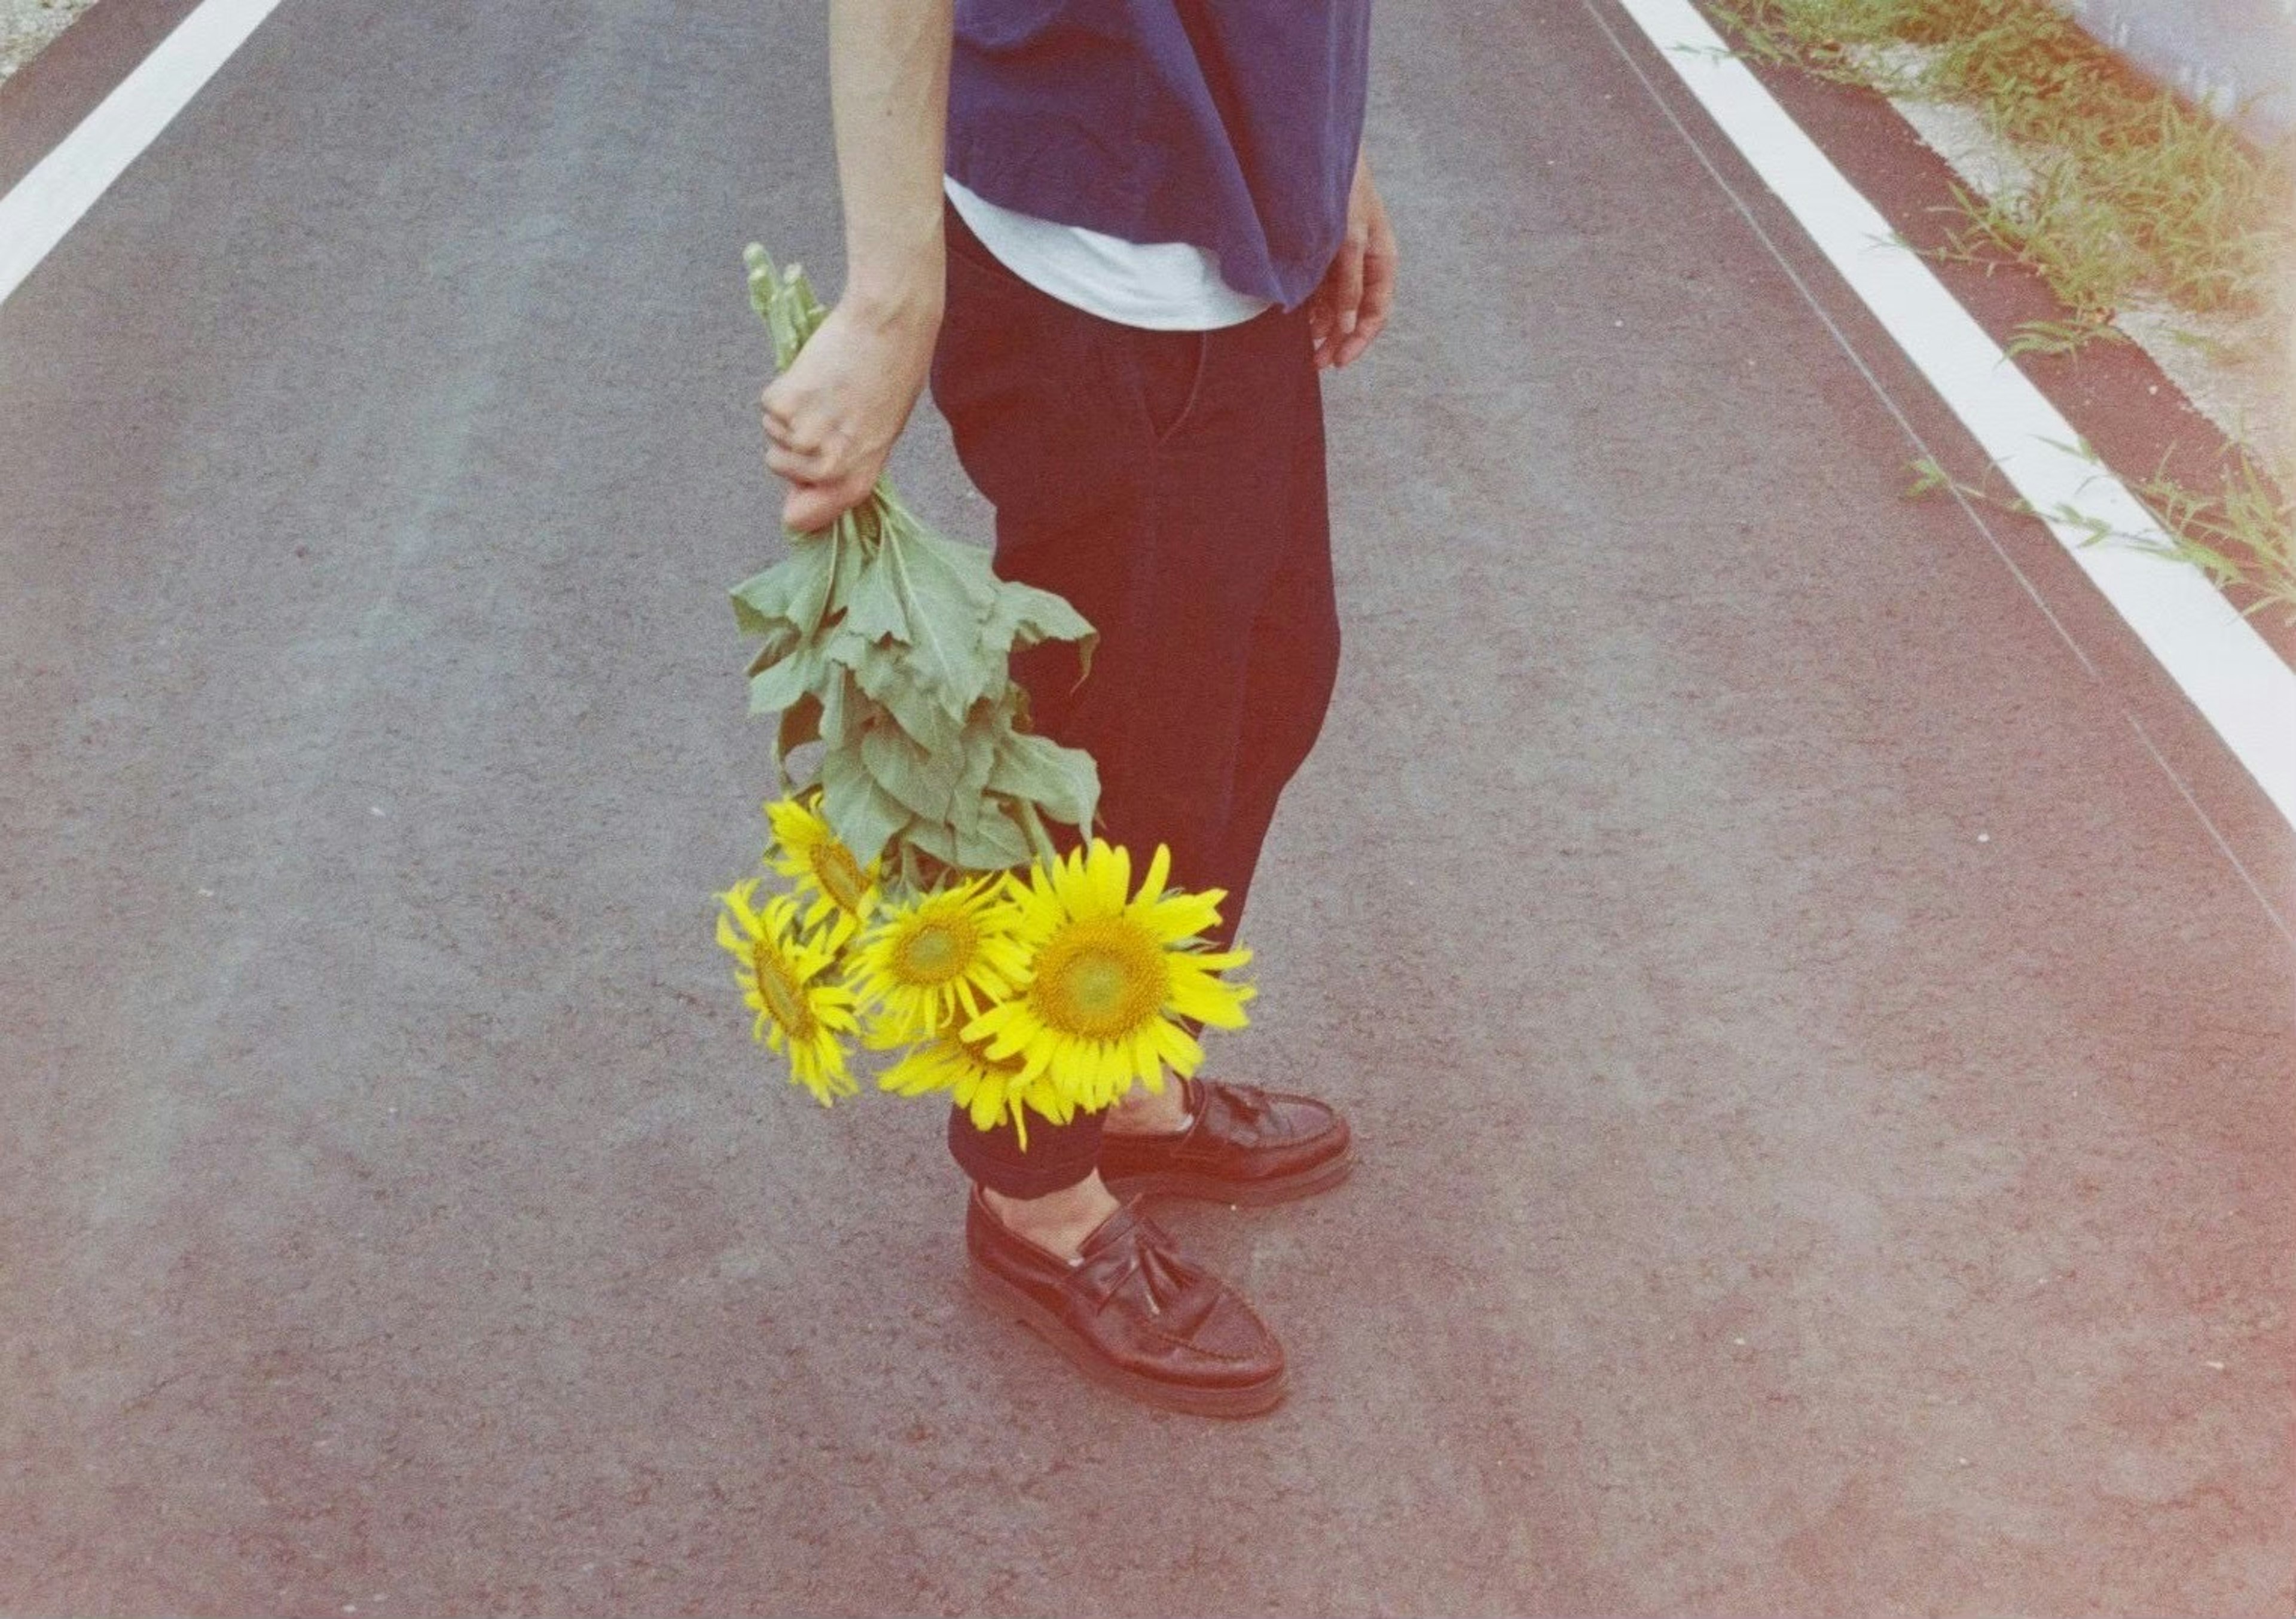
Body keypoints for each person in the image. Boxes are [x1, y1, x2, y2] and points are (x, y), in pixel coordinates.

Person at [759, 0, 1396, 1417]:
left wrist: (1317, 150)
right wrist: (887, 301)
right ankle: (1034, 1192)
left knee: (1271, 681)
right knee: (1128, 765)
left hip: (1227, 210)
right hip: (1100, 240)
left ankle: (1120, 1079)